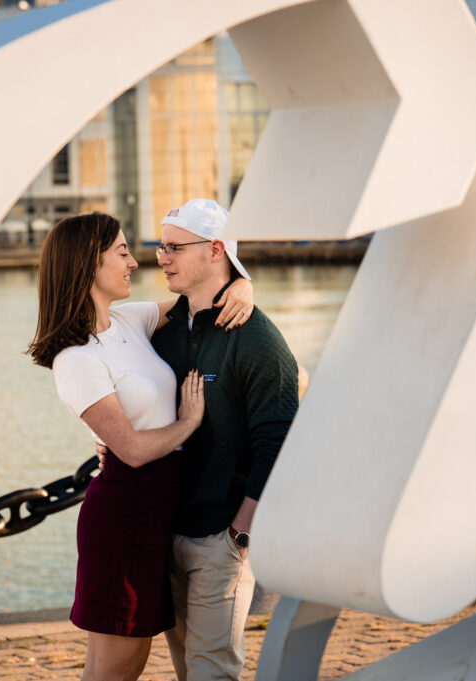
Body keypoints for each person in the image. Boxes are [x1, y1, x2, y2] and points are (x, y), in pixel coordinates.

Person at [28, 212, 254, 681]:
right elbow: (130, 449)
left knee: (125, 660)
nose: (133, 262)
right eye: (122, 251)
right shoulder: (76, 359)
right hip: (125, 517)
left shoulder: (129, 321)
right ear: (89, 264)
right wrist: (190, 421)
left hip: (156, 515)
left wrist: (243, 283)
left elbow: (201, 298)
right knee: (117, 670)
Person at [153, 198, 299, 681]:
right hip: (167, 533)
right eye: (159, 246)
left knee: (212, 672)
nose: (162, 257)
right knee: (186, 671)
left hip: (221, 538)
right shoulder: (163, 331)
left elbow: (279, 439)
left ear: (216, 250)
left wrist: (242, 531)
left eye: (174, 247)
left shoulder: (256, 338)